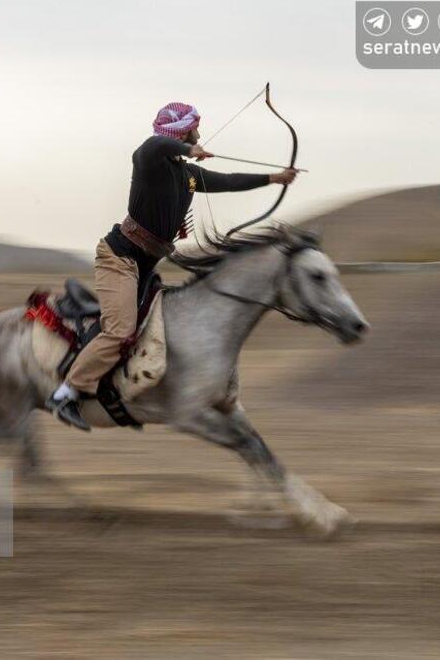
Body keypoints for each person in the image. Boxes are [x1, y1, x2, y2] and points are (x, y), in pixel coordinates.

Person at [46, 101, 298, 429]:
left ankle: (131, 393)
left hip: (145, 266)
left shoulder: (188, 176)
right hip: (119, 259)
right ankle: (66, 393)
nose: (199, 133)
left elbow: (229, 180)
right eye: (194, 128)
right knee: (120, 331)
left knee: (161, 328)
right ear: (181, 131)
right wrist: (189, 149)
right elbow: (155, 145)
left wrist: (275, 178)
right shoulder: (150, 161)